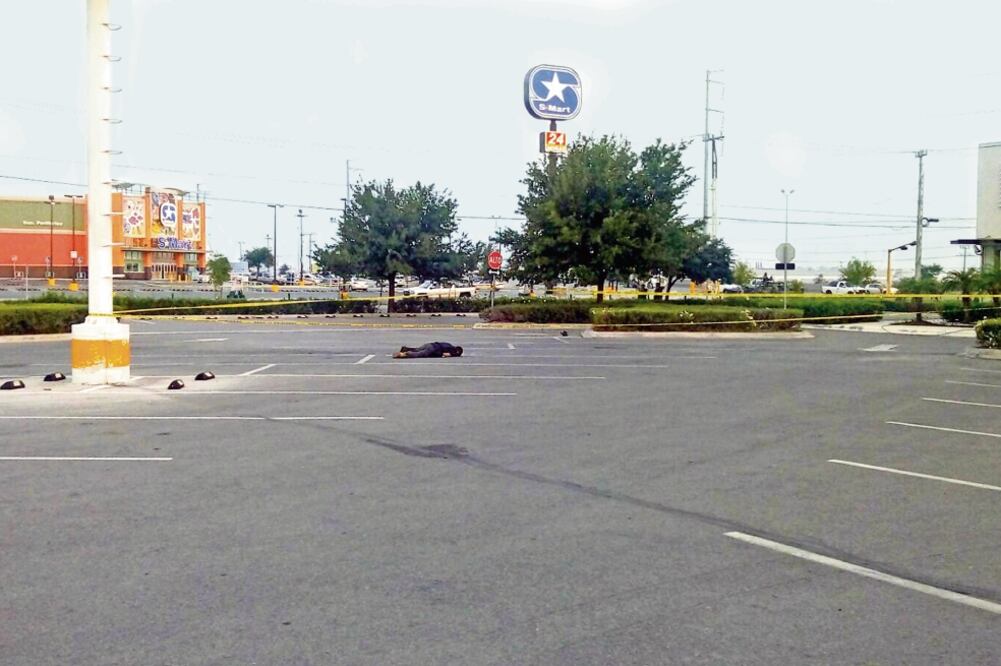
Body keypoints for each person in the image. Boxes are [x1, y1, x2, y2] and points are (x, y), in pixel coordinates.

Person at [393, 342, 464, 359]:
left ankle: (405, 349)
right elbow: (445, 354)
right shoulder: (453, 351)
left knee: (417, 349)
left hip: (431, 344)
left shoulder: (449, 344)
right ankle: (405, 354)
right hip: (433, 349)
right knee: (420, 354)